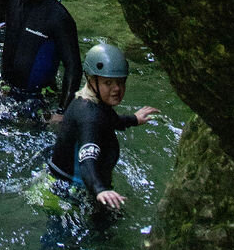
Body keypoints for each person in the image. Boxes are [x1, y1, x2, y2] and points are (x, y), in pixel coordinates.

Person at [48, 43, 159, 209]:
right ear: (91, 80)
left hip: (73, 186)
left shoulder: (93, 103)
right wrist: (100, 190)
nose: (116, 89)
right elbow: (87, 159)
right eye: (108, 83)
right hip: (71, 196)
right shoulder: (89, 116)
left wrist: (134, 119)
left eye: (121, 82)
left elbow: (110, 121)